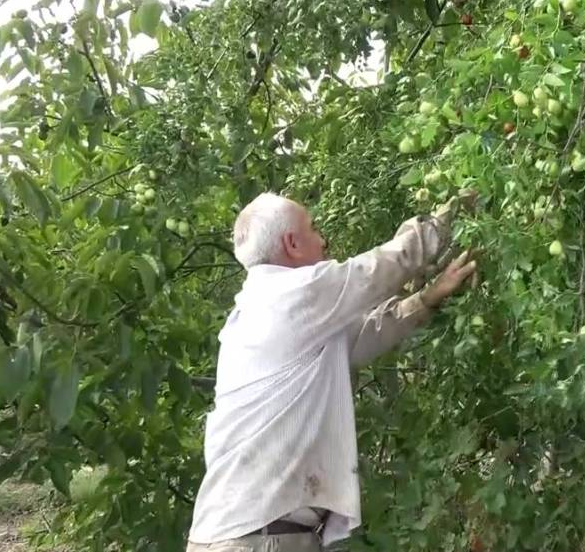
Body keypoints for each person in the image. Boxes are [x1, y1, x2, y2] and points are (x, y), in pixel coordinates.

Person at [185, 192, 477, 552]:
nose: (323, 240)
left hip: (248, 535)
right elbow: (379, 269)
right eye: (313, 229)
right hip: (258, 541)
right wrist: (445, 218)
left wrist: (427, 298)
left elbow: (364, 336)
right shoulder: (290, 293)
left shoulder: (268, 310)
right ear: (292, 243)